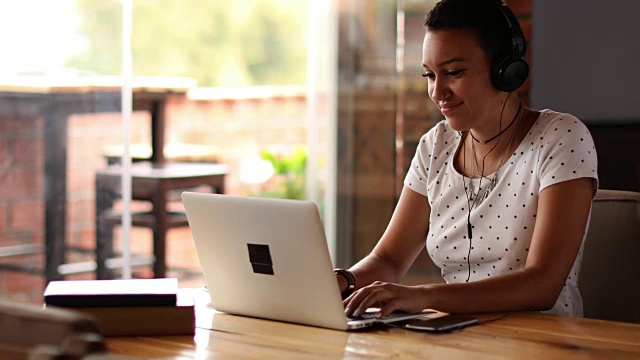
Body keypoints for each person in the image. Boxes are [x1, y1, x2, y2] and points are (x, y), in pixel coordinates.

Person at [334, 0, 598, 319]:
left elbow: (542, 284)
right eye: (430, 75)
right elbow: (389, 259)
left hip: (541, 344)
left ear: (506, 70)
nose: (437, 91)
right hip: (457, 339)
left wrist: (423, 297)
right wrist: (343, 280)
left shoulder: (561, 137)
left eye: (454, 72)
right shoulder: (436, 144)